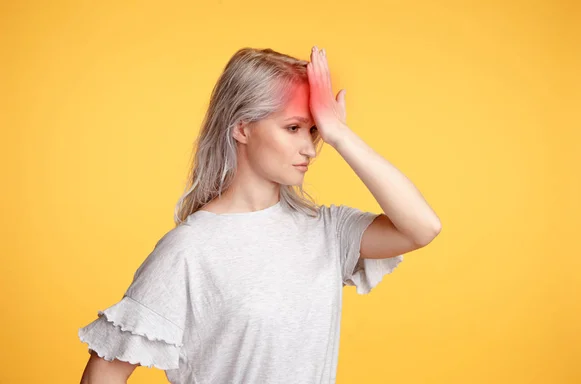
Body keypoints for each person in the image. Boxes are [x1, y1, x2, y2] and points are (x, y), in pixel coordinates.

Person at [78, 46, 441, 384]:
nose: (310, 148)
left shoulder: (327, 232)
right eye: (294, 127)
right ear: (242, 128)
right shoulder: (190, 250)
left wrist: (340, 135)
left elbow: (422, 227)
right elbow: (105, 369)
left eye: (313, 131)